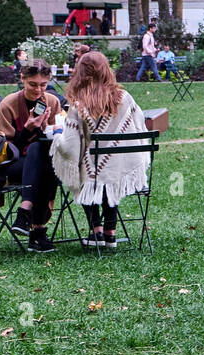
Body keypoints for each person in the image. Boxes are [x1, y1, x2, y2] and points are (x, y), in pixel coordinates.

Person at [59, 51, 149, 249]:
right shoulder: (125, 98)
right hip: (122, 166)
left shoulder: (77, 104)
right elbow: (140, 126)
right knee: (108, 172)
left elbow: (70, 144)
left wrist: (58, 143)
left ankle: (96, 230)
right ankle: (110, 232)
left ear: (81, 74)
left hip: (93, 171)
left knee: (83, 175)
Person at [0, 59, 62, 252]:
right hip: (11, 163)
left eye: (43, 85)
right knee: (38, 156)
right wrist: (26, 130)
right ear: (22, 79)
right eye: (33, 84)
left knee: (42, 156)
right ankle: (37, 231)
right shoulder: (9, 104)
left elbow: (58, 139)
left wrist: (44, 129)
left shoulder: (52, 102)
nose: (38, 90)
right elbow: (3, 150)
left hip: (43, 163)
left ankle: (25, 214)